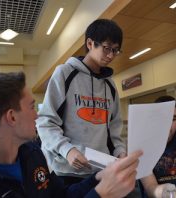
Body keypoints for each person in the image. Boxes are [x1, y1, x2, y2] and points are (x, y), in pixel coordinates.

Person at [0, 72, 142, 198]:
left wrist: (100, 177)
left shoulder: (32, 153)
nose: (37, 115)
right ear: (11, 117)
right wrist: (101, 194)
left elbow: (61, 195)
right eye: (31, 107)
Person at [36, 19, 127, 185]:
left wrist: (121, 152)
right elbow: (45, 122)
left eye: (115, 50)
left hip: (102, 171)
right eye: (107, 48)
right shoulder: (65, 73)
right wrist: (68, 150)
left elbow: (114, 130)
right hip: (67, 171)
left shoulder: (110, 85)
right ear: (90, 43)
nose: (111, 55)